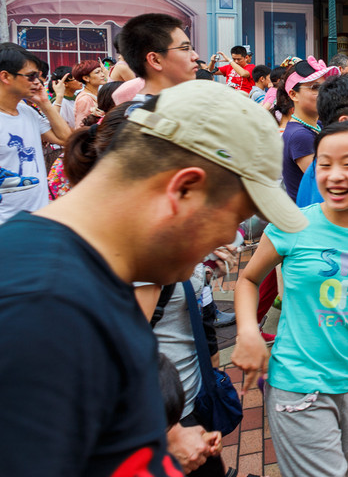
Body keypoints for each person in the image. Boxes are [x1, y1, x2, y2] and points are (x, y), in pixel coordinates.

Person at [0, 80, 307, 475]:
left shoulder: (77, 283)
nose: (228, 237)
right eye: (234, 217)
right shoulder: (43, 310)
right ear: (184, 189)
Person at [234, 121, 348, 477]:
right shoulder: (292, 224)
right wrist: (247, 331)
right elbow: (247, 280)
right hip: (296, 384)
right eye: (325, 164)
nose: (335, 176)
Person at [0, 43, 72, 224]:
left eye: (38, 77)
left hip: (39, 216)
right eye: (31, 76)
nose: (38, 83)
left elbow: (66, 139)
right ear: (5, 76)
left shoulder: (28, 113)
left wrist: (45, 103)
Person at [278, 57, 341, 201]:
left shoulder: (317, 125)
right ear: (293, 94)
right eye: (315, 88)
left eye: (325, 87)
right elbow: (327, 182)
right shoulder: (300, 135)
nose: (324, 93)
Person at [114, 13, 200, 101]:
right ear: (155, 60)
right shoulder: (145, 112)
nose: (196, 56)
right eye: (185, 48)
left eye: (191, 48)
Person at [72, 59, 107, 127]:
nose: (102, 75)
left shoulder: (98, 94)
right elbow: (81, 126)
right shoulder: (85, 99)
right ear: (86, 78)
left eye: (102, 71)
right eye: (97, 72)